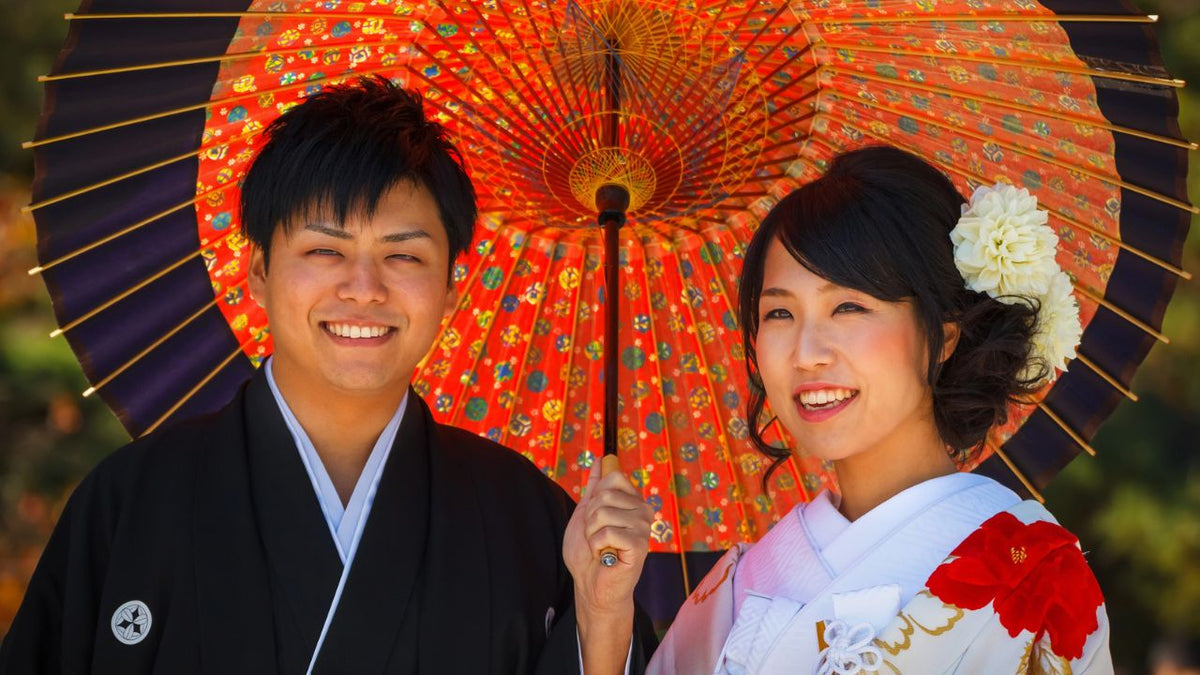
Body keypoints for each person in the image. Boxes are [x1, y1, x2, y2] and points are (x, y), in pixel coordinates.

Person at [0, 76, 655, 674]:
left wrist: (601, 615)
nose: (364, 289)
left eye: (403, 255)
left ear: (453, 286)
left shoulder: (525, 517)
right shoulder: (130, 504)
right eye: (324, 250)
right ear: (259, 269)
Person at [647, 146, 1113, 674]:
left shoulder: (1032, 576)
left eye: (849, 306)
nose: (806, 353)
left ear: (942, 336)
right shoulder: (738, 588)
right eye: (779, 312)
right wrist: (602, 620)